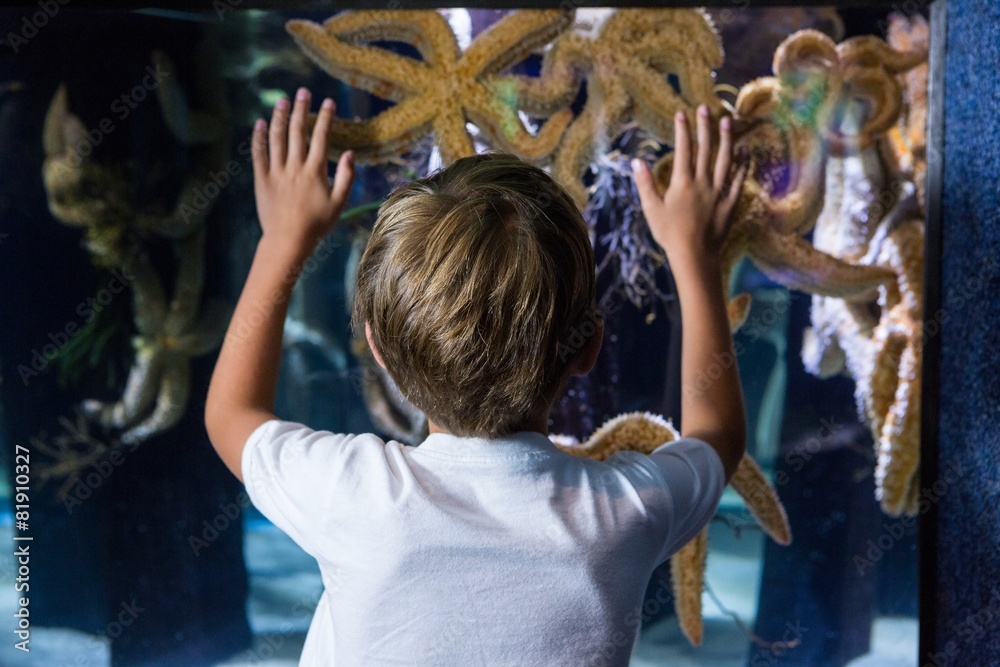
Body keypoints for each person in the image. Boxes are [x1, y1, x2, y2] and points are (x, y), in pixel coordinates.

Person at [205, 86, 748, 666]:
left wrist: (284, 239)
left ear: (378, 352)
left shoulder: (353, 496)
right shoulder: (623, 513)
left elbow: (231, 413)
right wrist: (696, 255)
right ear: (589, 345)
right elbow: (717, 437)